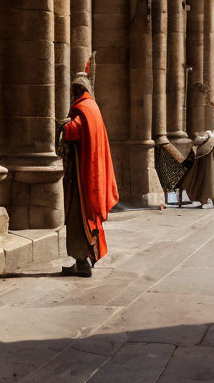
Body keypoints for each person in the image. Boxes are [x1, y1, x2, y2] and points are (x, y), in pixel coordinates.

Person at [57, 61, 119, 277]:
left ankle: (82, 263)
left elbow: (75, 131)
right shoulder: (92, 107)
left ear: (79, 91)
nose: (72, 94)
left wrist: (64, 124)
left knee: (77, 218)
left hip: (81, 179)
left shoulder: (83, 109)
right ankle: (82, 261)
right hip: (84, 173)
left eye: (74, 90)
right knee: (83, 219)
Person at [180, 131, 214, 207]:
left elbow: (199, 146)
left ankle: (205, 200)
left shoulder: (209, 141)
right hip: (204, 166)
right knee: (207, 182)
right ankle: (207, 200)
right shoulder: (212, 140)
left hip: (204, 166)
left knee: (205, 182)